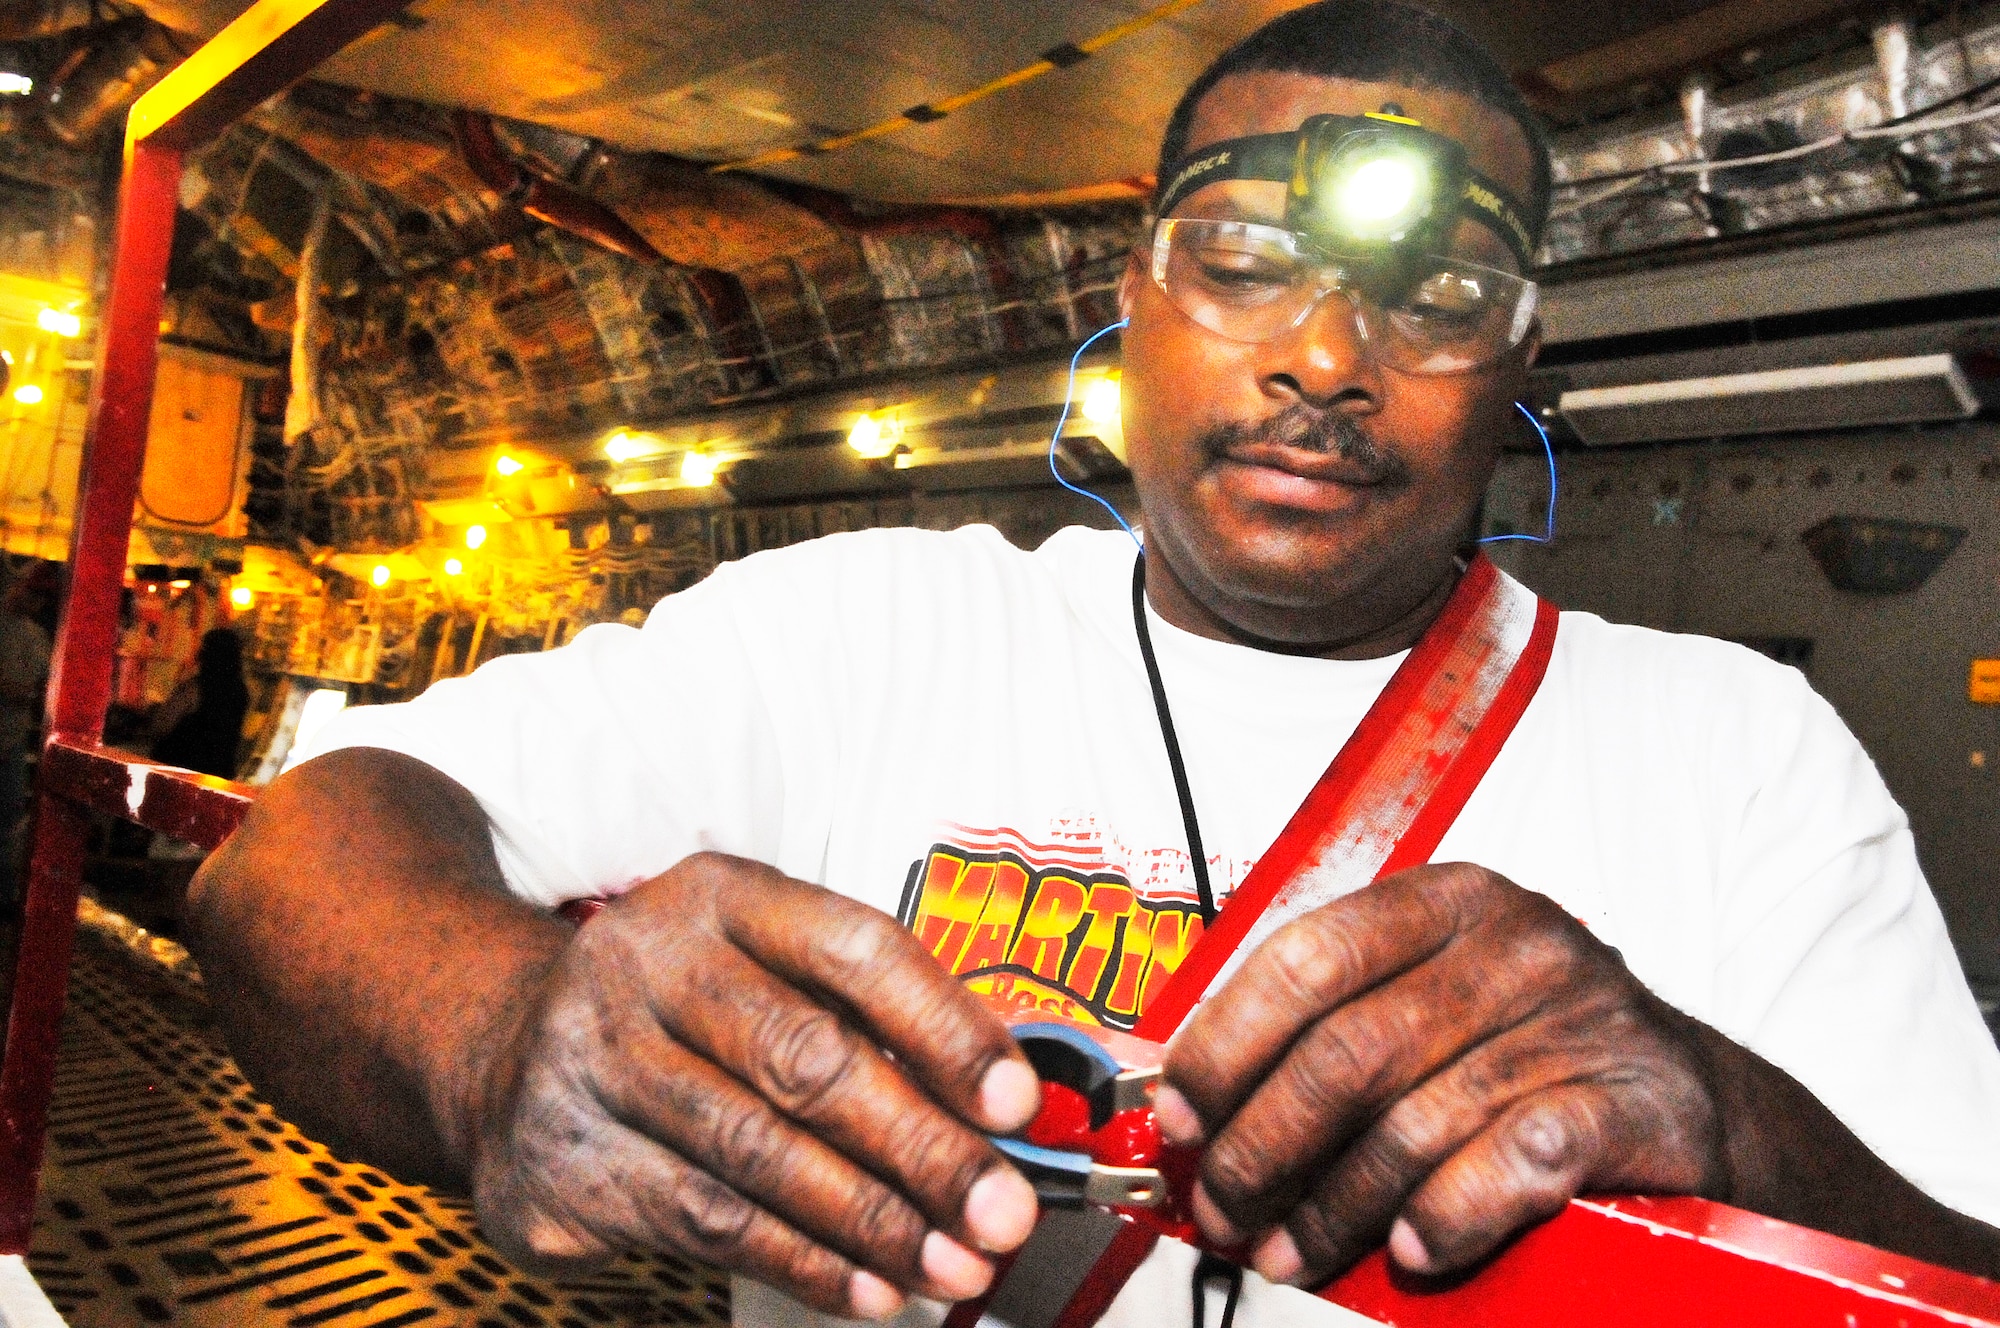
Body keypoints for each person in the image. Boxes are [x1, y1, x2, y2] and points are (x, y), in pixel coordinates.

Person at [185, 3, 2000, 1326]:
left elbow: (1970, 1261)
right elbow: (294, 851)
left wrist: (1727, 1111)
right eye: (1239, 262)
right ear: (1124, 308)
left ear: (1522, 365)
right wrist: (504, 1034)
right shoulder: (871, 630)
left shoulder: (1743, 754)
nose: (1323, 353)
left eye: (1437, 295)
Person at [151, 627, 252, 779]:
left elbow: (162, 725)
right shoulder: (241, 693)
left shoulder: (195, 688)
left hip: (179, 771)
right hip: (218, 774)